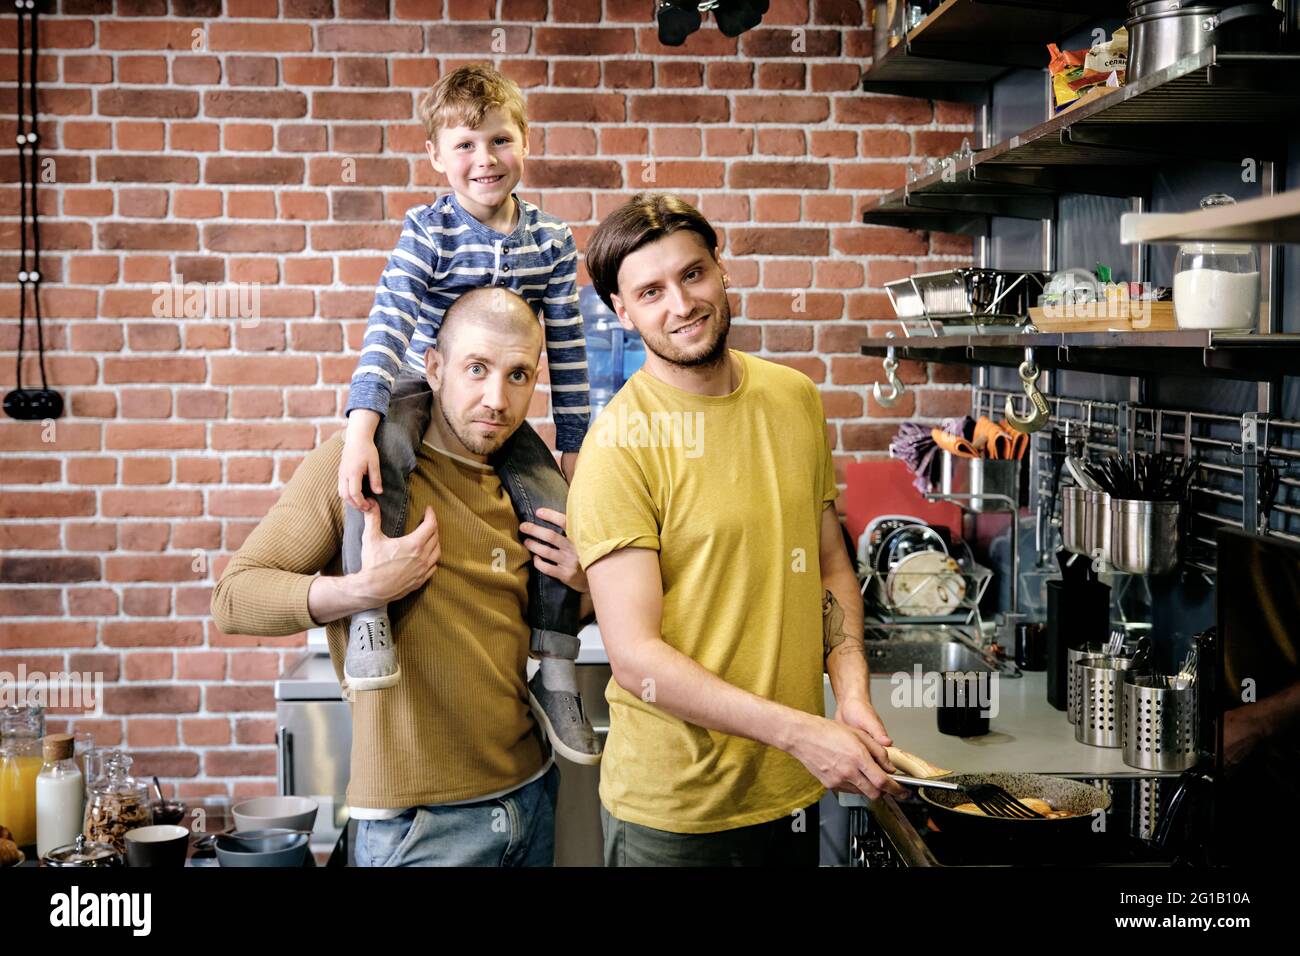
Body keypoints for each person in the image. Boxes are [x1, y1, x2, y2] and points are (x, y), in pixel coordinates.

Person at [567, 193, 906, 866]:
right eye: (651, 291)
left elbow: (830, 565)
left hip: (789, 793)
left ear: (721, 271)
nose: (681, 304)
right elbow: (635, 661)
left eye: (693, 274)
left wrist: (852, 693)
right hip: (679, 815)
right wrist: (802, 733)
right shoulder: (618, 448)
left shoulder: (793, 398)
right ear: (621, 311)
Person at [212, 289, 591, 865]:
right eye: (476, 369)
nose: (497, 399)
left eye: (518, 375)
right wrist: (362, 589)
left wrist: (584, 586)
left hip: (532, 795)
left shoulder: (530, 490)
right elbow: (234, 598)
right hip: (417, 826)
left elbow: (535, 620)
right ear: (435, 368)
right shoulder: (359, 469)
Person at [336, 63, 599, 763]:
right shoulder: (427, 232)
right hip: (422, 391)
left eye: (500, 140)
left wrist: (574, 444)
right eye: (465, 145)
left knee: (551, 505)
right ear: (435, 156)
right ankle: (370, 616)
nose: (485, 160)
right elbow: (388, 324)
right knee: (382, 463)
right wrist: (360, 424)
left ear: (525, 142)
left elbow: (568, 348)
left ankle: (557, 668)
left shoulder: (551, 240)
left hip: (497, 408)